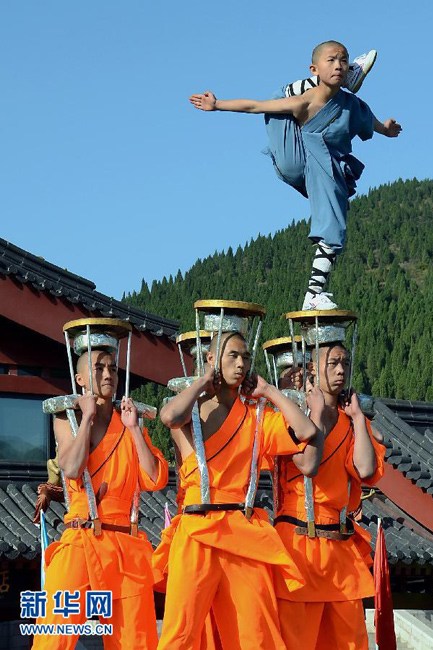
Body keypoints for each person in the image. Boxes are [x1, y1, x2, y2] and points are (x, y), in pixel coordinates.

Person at [189, 40, 402, 310]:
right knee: (278, 99)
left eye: (344, 61)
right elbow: (255, 106)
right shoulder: (303, 102)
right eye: (332, 61)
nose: (338, 64)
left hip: (326, 166)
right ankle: (347, 76)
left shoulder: (352, 106)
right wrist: (217, 105)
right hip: (294, 155)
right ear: (314, 69)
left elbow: (369, 120)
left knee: (335, 225)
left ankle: (314, 293)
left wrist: (385, 129)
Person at [155, 330, 324, 650]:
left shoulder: (259, 416)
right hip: (197, 530)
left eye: (245, 357)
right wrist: (204, 381)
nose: (240, 363)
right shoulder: (192, 411)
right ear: (211, 359)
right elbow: (168, 416)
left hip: (244, 531)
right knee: (181, 633)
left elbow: (306, 431)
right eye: (232, 355)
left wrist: (269, 390)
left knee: (255, 635)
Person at [33, 343, 169, 649]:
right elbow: (70, 467)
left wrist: (134, 430)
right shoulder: (66, 417)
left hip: (125, 543)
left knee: (136, 641)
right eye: (99, 368)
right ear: (80, 379)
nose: (108, 374)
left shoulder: (130, 420)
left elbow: (155, 478)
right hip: (80, 537)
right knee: (52, 638)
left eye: (113, 369)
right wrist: (87, 418)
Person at [272, 341, 385, 650]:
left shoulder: (353, 421)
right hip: (298, 541)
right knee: (295, 640)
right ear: (312, 368)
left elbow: (364, 469)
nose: (340, 370)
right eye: (333, 362)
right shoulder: (292, 415)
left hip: (339, 547)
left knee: (350, 641)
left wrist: (360, 418)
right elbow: (307, 464)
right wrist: (316, 415)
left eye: (345, 363)